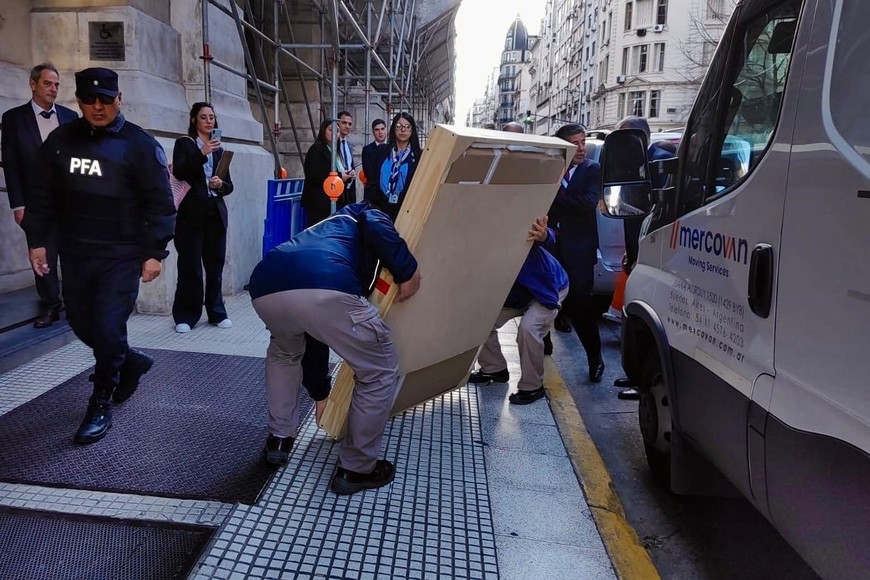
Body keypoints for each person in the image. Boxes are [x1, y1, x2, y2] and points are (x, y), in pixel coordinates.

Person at [23, 67, 175, 444]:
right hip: (75, 251)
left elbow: (160, 203)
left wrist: (154, 252)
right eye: (89, 100)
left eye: (105, 99)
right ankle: (131, 361)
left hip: (120, 254)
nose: (97, 106)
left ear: (119, 98)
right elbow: (42, 196)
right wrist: (38, 241)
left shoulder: (138, 144)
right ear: (78, 102)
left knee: (108, 328)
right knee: (80, 322)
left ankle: (101, 399)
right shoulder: (61, 140)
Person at [248, 201, 422, 496]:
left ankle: (279, 440)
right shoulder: (362, 212)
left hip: (266, 285)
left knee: (284, 354)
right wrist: (407, 270)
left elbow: (315, 333)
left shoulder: (323, 230)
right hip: (327, 284)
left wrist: (321, 393)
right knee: (379, 370)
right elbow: (375, 223)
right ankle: (356, 469)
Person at [2, 62, 77, 328]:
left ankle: (74, 306)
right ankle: (50, 306)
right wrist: (17, 204)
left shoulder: (70, 117)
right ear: (32, 84)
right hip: (34, 202)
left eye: (57, 84)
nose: (53, 89)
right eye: (48, 83)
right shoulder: (13, 118)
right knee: (41, 255)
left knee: (72, 254)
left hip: (69, 201)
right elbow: (10, 163)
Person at [468, 216, 569, 405]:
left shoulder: (511, 237)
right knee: (479, 321)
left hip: (548, 288)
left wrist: (544, 234)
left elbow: (548, 236)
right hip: (517, 295)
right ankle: (494, 368)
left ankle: (533, 386)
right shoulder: (478, 247)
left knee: (529, 329)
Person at [611, 116, 677, 400]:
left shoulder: (657, 162)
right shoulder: (638, 163)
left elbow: (656, 212)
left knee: (644, 314)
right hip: (639, 250)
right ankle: (635, 374)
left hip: (653, 253)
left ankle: (642, 383)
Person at [547, 123, 605, 383]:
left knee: (581, 307)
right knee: (544, 300)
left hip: (580, 251)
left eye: (583, 142)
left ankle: (595, 358)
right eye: (575, 143)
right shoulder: (550, 169)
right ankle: (544, 344)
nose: (581, 148)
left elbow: (586, 204)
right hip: (550, 248)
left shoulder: (592, 169)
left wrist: (554, 197)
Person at [171, 102, 234, 333]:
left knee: (215, 265)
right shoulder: (185, 144)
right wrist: (201, 153)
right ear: (194, 121)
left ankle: (217, 311)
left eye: (212, 117)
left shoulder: (219, 149)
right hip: (191, 213)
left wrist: (221, 184)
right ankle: (186, 315)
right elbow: (180, 171)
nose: (209, 121)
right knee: (190, 265)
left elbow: (230, 186)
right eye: (204, 117)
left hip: (214, 211)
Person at [362, 112, 422, 221]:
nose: (403, 130)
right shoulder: (382, 151)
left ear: (412, 130)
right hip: (380, 209)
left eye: (407, 126)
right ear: (393, 129)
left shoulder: (419, 156)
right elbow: (372, 180)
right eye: (399, 126)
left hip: (405, 211)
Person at [337, 111, 356, 207]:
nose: (347, 126)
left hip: (348, 190)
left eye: (349, 124)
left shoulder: (348, 145)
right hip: (335, 189)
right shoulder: (333, 144)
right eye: (344, 123)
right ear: (337, 124)